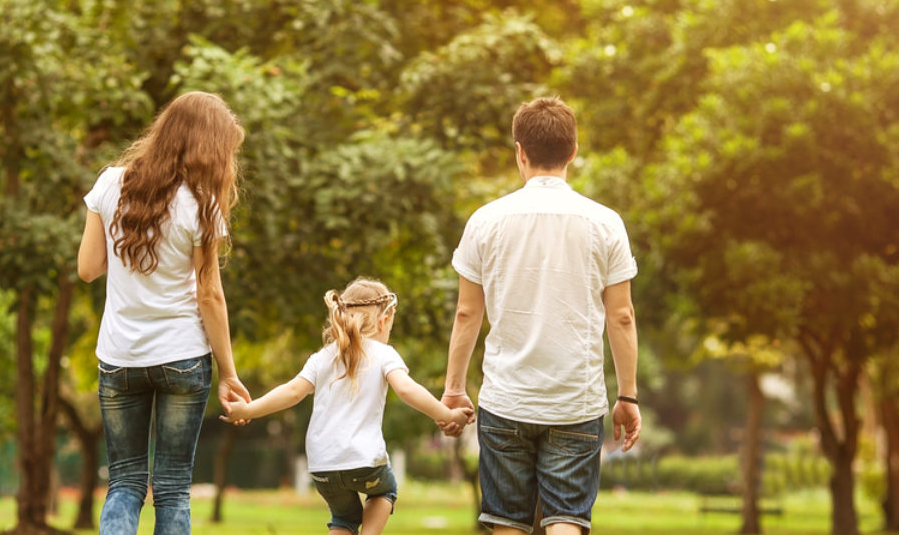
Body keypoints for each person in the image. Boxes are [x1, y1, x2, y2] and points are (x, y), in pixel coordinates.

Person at [439, 97, 642, 535]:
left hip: (505, 401)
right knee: (567, 520)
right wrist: (628, 395)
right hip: (576, 402)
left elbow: (466, 312)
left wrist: (454, 389)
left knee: (507, 523)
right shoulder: (606, 223)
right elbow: (621, 317)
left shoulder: (485, 221)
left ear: (520, 152)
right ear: (573, 152)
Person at [77, 91, 252, 535]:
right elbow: (210, 295)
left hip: (120, 357)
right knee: (172, 487)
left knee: (125, 481)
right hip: (182, 356)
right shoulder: (202, 205)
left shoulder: (111, 183)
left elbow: (87, 269)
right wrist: (229, 373)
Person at [222, 278, 473, 535]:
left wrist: (248, 410)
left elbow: (293, 391)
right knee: (385, 490)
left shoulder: (322, 358)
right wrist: (448, 414)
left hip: (322, 466)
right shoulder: (383, 354)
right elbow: (407, 389)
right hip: (364, 461)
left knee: (343, 519)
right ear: (383, 321)